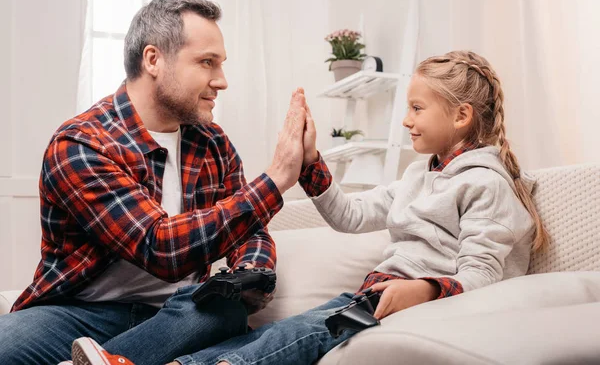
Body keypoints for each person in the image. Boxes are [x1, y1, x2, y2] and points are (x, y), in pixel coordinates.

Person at [65, 50, 549, 365]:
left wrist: (423, 289)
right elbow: (352, 217)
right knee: (270, 334)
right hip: (375, 297)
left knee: (296, 335)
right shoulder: (419, 175)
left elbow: (484, 275)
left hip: (412, 306)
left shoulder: (487, 184)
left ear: (462, 116)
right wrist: (311, 161)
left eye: (418, 109)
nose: (405, 121)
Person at [0, 0, 318, 365]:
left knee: (223, 308)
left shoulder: (214, 143)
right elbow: (160, 248)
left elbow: (250, 230)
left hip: (178, 314)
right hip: (79, 314)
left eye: (220, 64)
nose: (222, 81)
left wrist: (251, 268)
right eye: (206, 62)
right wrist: (277, 178)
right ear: (153, 60)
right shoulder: (82, 143)